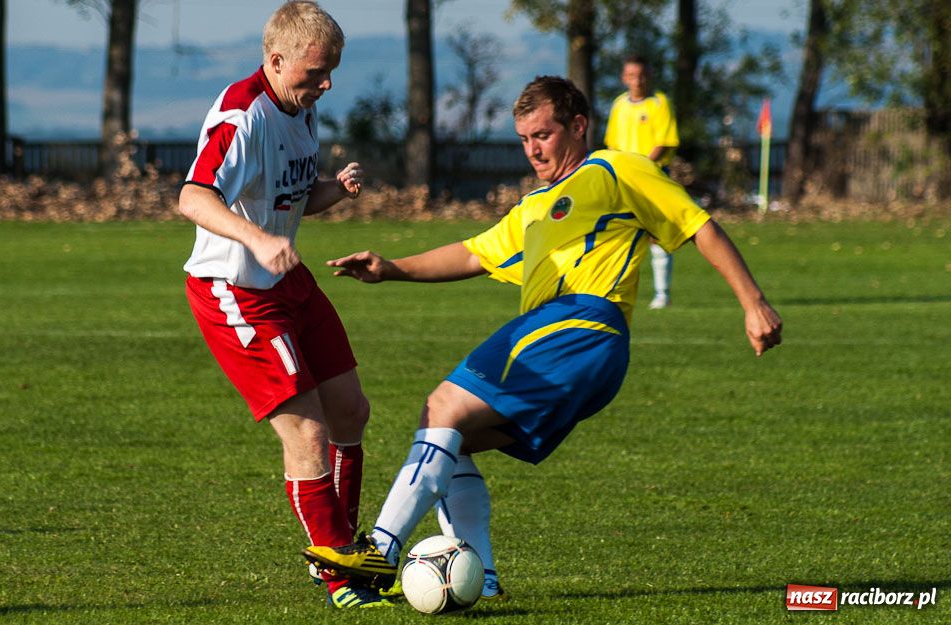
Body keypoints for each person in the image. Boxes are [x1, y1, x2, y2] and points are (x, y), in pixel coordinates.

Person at [303, 76, 783, 596]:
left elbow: (698, 224)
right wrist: (390, 267)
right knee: (449, 438)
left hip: (580, 324)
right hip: (573, 348)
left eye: (544, 134)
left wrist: (752, 301)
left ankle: (379, 550)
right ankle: (480, 581)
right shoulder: (535, 205)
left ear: (578, 126)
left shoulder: (617, 169)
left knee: (442, 406)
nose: (533, 149)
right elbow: (472, 253)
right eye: (524, 139)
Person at [179, 1, 391, 609]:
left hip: (286, 281)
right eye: (316, 72)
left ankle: (343, 545)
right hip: (234, 292)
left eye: (332, 72)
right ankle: (338, 574)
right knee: (306, 430)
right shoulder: (241, 116)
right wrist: (258, 238)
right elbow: (193, 197)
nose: (326, 84)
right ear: (275, 60)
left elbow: (289, 196)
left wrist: (335, 191)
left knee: (350, 410)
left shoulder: (300, 108)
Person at [603, 54, 680, 309]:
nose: (638, 81)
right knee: (618, 232)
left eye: (642, 75)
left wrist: (642, 167)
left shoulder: (659, 103)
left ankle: (662, 294)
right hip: (624, 179)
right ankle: (613, 288)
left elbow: (664, 140)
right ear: (624, 78)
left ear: (650, 76)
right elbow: (612, 143)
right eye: (632, 76)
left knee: (656, 235)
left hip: (652, 177)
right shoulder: (619, 105)